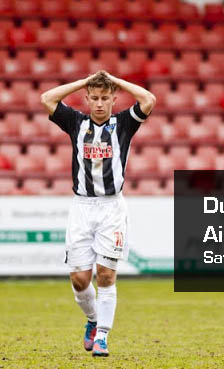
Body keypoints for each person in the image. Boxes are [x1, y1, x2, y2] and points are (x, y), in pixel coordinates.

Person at [40, 71, 156, 357]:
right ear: (87, 99)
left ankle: (102, 336)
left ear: (114, 98)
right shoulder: (76, 122)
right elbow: (47, 98)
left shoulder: (124, 123)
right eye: (95, 98)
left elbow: (149, 99)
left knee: (105, 275)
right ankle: (93, 321)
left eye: (106, 98)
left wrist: (115, 80)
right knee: (80, 280)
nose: (100, 104)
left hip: (111, 208)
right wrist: (84, 81)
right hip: (81, 207)